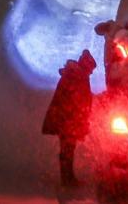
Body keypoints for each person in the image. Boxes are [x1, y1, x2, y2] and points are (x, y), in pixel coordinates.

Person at [42, 50, 96, 187]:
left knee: (68, 150)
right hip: (69, 120)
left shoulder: (75, 75)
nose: (91, 72)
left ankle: (68, 178)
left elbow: (78, 97)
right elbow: (75, 99)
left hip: (68, 119)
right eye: (91, 69)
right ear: (86, 65)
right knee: (68, 150)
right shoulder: (76, 76)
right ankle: (68, 180)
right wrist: (77, 116)